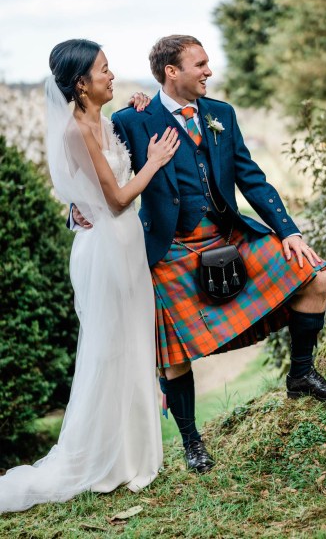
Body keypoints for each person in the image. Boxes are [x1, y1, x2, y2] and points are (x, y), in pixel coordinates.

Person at [82, 34, 326, 475]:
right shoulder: (133, 120)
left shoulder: (221, 114)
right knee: (172, 353)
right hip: (170, 248)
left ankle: (301, 375)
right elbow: (103, 170)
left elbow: (251, 177)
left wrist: (289, 231)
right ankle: (192, 443)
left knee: (316, 275)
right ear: (172, 72)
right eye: (200, 64)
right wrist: (82, 209)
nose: (209, 71)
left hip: (230, 236)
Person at [0, 39, 179, 513]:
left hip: (124, 246)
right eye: (104, 70)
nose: (112, 75)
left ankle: (127, 455)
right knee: (107, 351)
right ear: (81, 84)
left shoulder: (103, 120)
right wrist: (155, 162)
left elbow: (104, 187)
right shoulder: (77, 131)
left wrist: (139, 109)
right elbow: (118, 200)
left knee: (129, 347)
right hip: (105, 251)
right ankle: (102, 458)